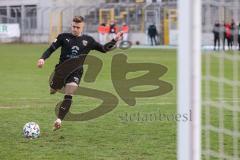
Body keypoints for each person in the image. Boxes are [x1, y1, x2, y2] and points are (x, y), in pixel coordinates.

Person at [37, 16, 123, 131]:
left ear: (82, 27)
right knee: (53, 90)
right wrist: (43, 58)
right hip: (61, 70)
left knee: (69, 93)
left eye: (78, 27)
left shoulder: (89, 41)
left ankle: (59, 120)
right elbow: (51, 49)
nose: (75, 29)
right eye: (73, 26)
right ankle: (54, 87)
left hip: (76, 72)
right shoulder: (63, 37)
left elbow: (103, 49)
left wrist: (114, 40)